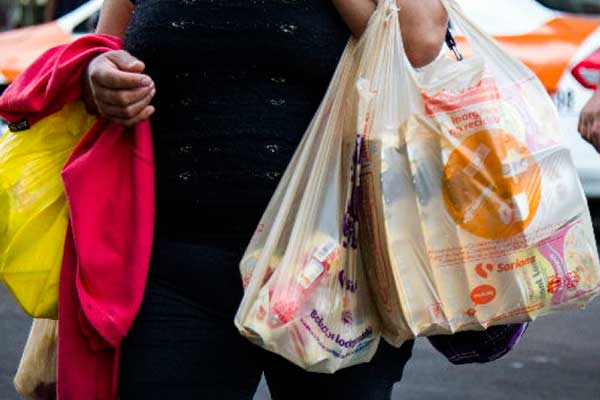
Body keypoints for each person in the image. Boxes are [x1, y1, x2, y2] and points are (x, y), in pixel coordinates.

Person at [81, 1, 448, 399]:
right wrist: (96, 78)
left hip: (334, 271)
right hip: (175, 268)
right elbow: (102, 53)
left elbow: (419, 44)